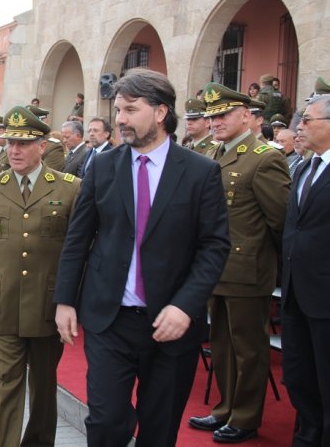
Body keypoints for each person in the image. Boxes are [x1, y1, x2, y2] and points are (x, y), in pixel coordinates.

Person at [54, 69, 231, 447]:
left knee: (159, 429)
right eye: (118, 110)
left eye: (131, 110)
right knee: (105, 422)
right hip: (109, 319)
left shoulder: (201, 172)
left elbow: (214, 246)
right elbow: (77, 238)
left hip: (171, 324)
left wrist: (185, 307)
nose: (120, 119)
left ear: (161, 112)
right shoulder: (102, 166)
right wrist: (65, 300)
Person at [0, 106, 80, 446]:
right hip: (2, 303)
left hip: (48, 306)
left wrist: (72, 304)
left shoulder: (69, 188)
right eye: (10, 142)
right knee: (4, 383)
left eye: (23, 143)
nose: (14, 150)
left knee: (44, 387)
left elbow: (78, 255)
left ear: (43, 146)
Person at [189, 83, 290, 443]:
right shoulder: (217, 153)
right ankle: (225, 408)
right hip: (217, 268)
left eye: (222, 115)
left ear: (246, 115)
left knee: (248, 348)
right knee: (222, 345)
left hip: (248, 270)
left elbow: (280, 221)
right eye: (211, 116)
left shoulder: (264, 157)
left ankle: (245, 416)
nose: (214, 122)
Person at [282, 94, 330, 447]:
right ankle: (307, 435)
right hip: (296, 290)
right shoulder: (304, 167)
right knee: (299, 373)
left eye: (308, 120)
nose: (300, 126)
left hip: (325, 294)